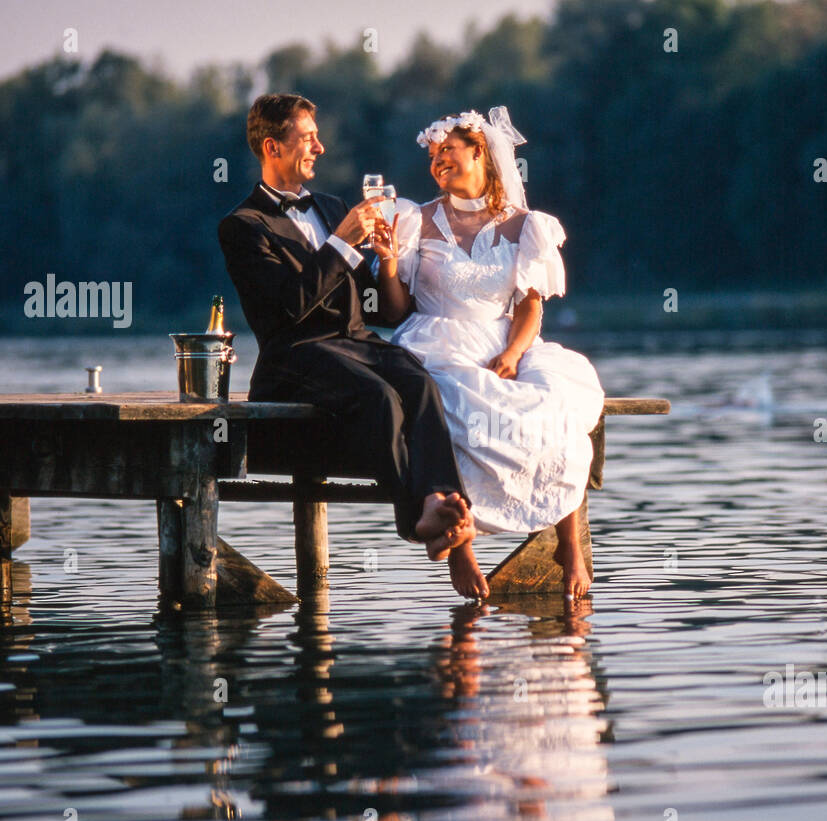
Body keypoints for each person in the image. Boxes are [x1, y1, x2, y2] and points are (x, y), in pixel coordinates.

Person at [217, 93, 478, 579]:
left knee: (419, 383)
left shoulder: (333, 206)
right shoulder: (243, 226)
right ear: (273, 147)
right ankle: (417, 521)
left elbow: (373, 308)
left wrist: (386, 260)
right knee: (380, 397)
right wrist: (341, 242)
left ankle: (442, 500)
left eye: (318, 137)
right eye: (308, 138)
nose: (319, 147)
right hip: (295, 356)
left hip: (356, 344)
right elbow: (291, 307)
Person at [372, 107, 605, 602]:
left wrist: (515, 353)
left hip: (503, 338)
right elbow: (393, 311)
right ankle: (461, 542)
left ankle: (568, 540)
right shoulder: (416, 220)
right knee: (453, 405)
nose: (438, 162)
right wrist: (389, 261)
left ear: (480, 150)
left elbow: (529, 307)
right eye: (433, 156)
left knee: (554, 399)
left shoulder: (526, 225)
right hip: (436, 338)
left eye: (448, 151)